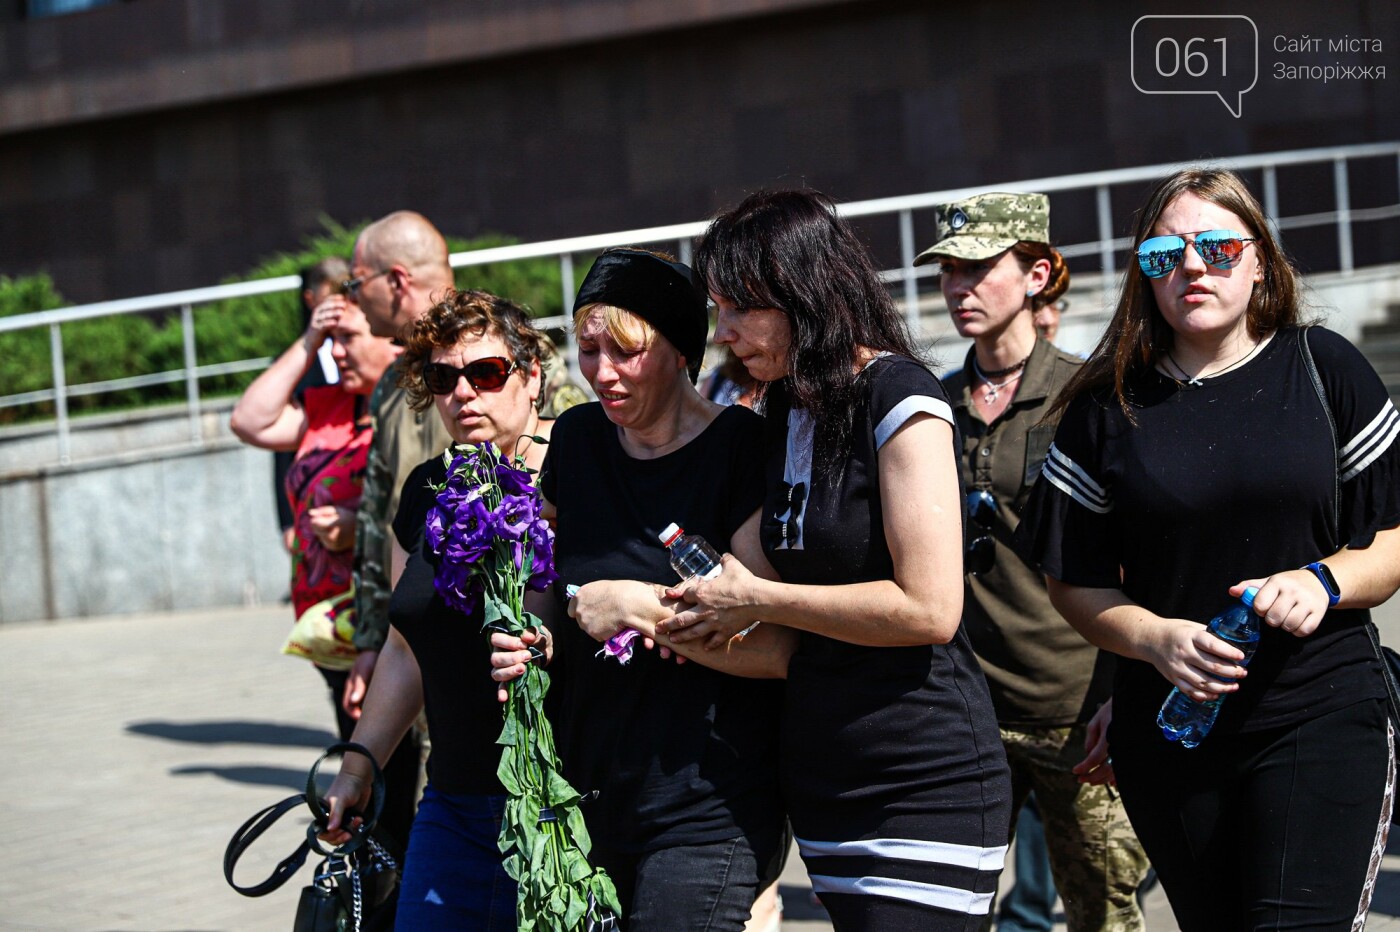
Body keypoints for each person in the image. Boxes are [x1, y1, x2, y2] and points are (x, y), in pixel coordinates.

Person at [1018, 167, 1400, 930]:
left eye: (1218, 247)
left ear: (1260, 258)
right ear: (1145, 275)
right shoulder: (1105, 405)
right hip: (1172, 731)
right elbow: (1076, 583)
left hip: (1321, 709)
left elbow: (1392, 540)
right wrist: (1154, 638)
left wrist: (1325, 580)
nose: (1193, 267)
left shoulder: (1326, 369)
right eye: (1165, 255)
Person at [656, 189, 1012, 931]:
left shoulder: (899, 396)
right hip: (824, 782)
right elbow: (741, 576)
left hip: (923, 777)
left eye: (739, 308)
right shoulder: (785, 407)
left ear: (804, 291)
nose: (722, 333)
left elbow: (930, 608)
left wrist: (755, 601)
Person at [490, 247, 792, 931]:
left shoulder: (740, 447)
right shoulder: (576, 440)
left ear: (682, 350)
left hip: (706, 803)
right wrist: (531, 637)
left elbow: (772, 646)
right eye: (588, 350)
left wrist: (634, 606)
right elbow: (549, 581)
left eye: (625, 352)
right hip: (587, 795)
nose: (601, 373)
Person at [914, 192, 1149, 931]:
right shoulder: (931, 403)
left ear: (1038, 273)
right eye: (949, 271)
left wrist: (1127, 690)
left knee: (1102, 914)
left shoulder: (1092, 397)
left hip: (1074, 711)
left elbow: (1140, 557)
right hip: (964, 710)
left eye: (980, 267)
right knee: (942, 913)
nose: (960, 288)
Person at [321, 289, 555, 928]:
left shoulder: (579, 468)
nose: (464, 393)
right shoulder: (429, 487)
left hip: (563, 804)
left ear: (531, 377)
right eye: (443, 377)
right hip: (453, 801)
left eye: (485, 372)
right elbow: (404, 649)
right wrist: (358, 766)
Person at [229, 297, 422, 851]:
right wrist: (308, 342)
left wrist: (355, 523)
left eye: (346, 339)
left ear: (391, 338)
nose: (336, 355)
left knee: (396, 776)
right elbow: (248, 419)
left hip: (386, 624)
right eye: (330, 344)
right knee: (370, 771)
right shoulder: (330, 405)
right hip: (332, 630)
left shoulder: (409, 409)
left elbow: (401, 504)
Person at [342, 211, 455, 726]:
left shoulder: (510, 358)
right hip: (406, 646)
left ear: (396, 280)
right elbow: (378, 519)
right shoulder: (393, 381)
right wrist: (372, 639)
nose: (351, 295)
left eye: (355, 282)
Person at [272, 257, 346, 560]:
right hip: (312, 511)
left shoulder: (370, 351)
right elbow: (280, 454)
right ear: (310, 299)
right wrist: (287, 522)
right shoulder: (294, 364)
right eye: (329, 302)